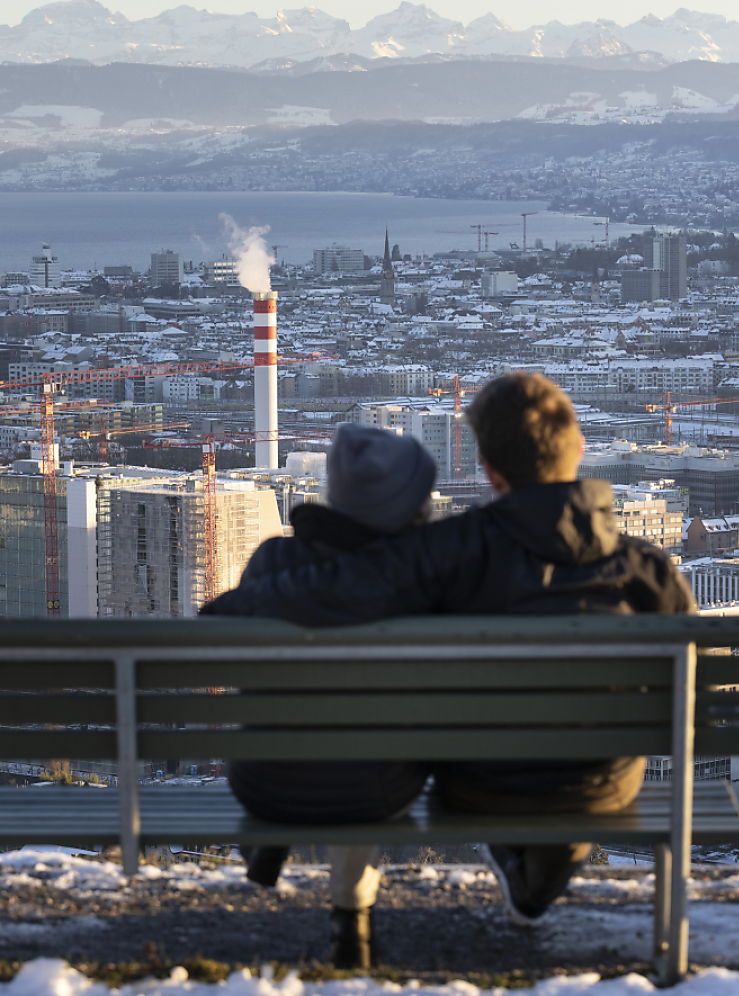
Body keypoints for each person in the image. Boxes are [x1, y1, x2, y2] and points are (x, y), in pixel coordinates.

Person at [204, 372, 695, 932]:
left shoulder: (457, 547)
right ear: (579, 449)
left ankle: (524, 878)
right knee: (572, 770)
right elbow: (687, 678)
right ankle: (536, 888)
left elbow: (349, 587)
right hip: (604, 782)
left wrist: (238, 605)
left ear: (489, 470)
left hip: (484, 783)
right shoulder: (646, 567)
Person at [220, 422, 438, 969]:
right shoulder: (423, 583)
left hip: (264, 779)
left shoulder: (272, 562)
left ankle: (270, 837)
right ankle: (350, 914)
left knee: (307, 737)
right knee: (367, 751)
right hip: (379, 788)